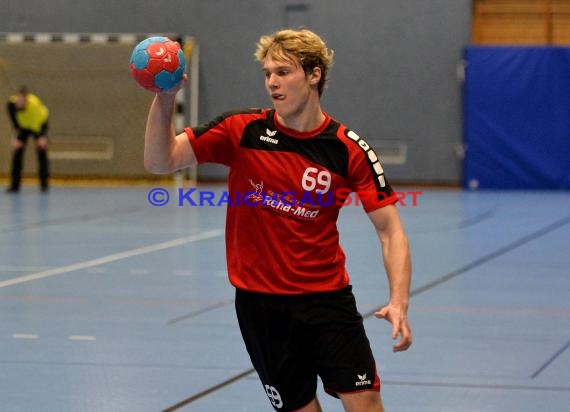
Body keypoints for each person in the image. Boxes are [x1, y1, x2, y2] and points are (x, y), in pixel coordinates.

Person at [144, 28, 412, 412]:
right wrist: (166, 98)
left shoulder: (348, 149)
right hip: (261, 308)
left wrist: (399, 301)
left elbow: (391, 231)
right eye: (267, 72)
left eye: (283, 72)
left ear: (314, 74)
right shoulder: (241, 130)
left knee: (366, 403)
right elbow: (159, 160)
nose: (272, 81)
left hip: (327, 301)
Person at [6, 86, 50, 193]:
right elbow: (14, 123)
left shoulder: (33, 105)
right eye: (18, 100)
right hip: (23, 126)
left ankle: (44, 185)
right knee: (17, 152)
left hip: (40, 124)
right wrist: (15, 138)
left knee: (41, 150)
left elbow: (37, 127)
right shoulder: (11, 105)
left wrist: (42, 137)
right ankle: (15, 185)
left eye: (22, 101)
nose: (19, 104)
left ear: (26, 100)